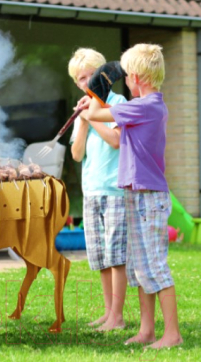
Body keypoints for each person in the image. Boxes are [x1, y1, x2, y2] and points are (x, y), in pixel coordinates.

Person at [85, 43, 183, 348]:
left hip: (148, 198)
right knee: (140, 268)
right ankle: (147, 330)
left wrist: (96, 88)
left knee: (154, 266)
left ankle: (172, 334)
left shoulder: (144, 107)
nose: (124, 79)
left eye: (126, 75)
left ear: (136, 77)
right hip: (138, 195)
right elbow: (107, 121)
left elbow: (97, 112)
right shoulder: (147, 107)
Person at [68, 48, 128, 331]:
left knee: (116, 257)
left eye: (92, 75)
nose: (87, 82)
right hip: (91, 190)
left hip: (115, 190)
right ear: (77, 83)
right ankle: (108, 313)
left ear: (103, 75)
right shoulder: (84, 110)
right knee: (101, 258)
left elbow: (116, 141)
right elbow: (77, 155)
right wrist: (81, 120)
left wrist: (91, 116)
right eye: (81, 78)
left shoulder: (117, 101)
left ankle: (117, 317)